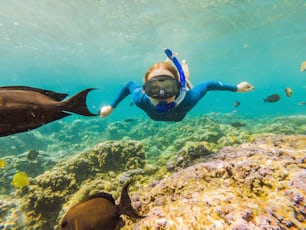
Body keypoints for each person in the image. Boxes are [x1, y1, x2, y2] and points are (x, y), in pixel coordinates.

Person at [100, 49, 254, 122]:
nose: (162, 95)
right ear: (146, 90)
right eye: (154, 88)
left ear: (177, 88)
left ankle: (182, 72)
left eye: (168, 87)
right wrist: (111, 107)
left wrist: (236, 88)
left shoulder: (187, 98)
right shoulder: (140, 98)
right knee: (180, 76)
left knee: (186, 78)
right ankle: (174, 68)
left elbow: (207, 85)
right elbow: (129, 85)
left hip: (183, 84)